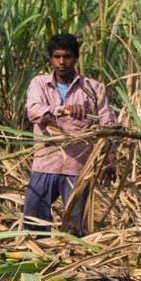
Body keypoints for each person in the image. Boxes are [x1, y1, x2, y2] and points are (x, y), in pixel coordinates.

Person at [23, 33, 118, 235]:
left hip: (78, 167)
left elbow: (107, 124)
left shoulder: (94, 88)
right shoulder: (39, 84)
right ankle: (35, 260)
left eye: (67, 57)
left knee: (77, 224)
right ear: (51, 58)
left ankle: (76, 262)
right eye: (57, 57)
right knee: (34, 220)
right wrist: (63, 110)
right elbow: (34, 111)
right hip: (46, 163)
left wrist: (111, 158)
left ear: (75, 58)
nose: (61, 62)